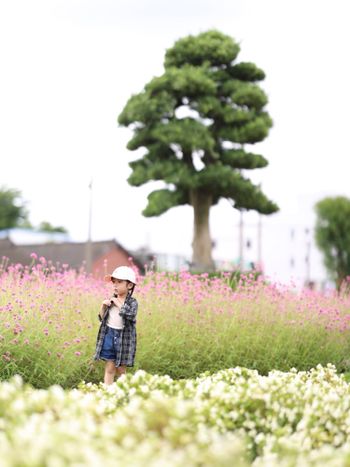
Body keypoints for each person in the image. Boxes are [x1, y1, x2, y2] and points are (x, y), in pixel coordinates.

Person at [94, 266, 138, 385]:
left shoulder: (132, 303)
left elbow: (130, 315)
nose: (115, 285)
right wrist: (103, 306)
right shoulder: (111, 300)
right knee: (110, 367)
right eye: (114, 282)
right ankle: (108, 391)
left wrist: (117, 303)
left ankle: (124, 390)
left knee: (121, 369)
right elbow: (101, 318)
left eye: (119, 282)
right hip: (109, 334)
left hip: (123, 338)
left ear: (129, 285)